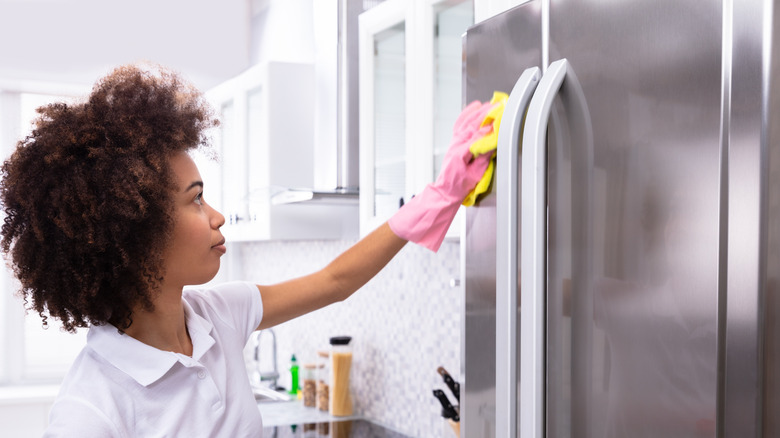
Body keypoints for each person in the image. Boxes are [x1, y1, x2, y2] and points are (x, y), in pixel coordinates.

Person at [0, 64, 496, 437]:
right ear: (134, 236)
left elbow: (335, 281)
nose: (216, 215)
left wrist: (438, 195)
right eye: (195, 200)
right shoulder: (90, 412)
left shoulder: (219, 315)